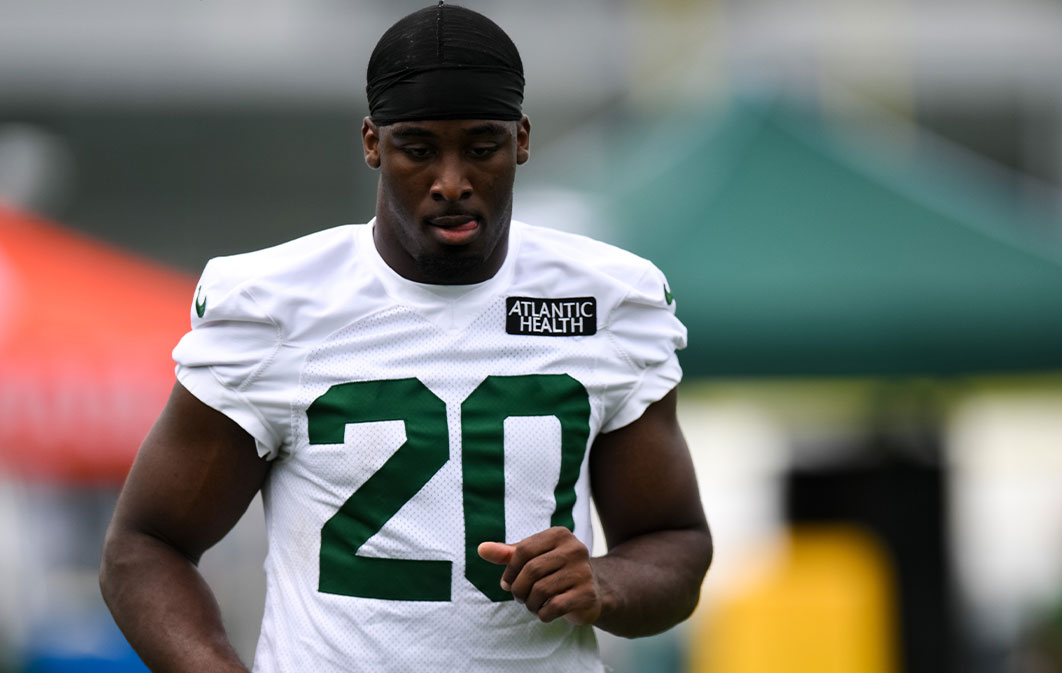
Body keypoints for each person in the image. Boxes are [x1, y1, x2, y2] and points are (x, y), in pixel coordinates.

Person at [99, 3, 712, 672]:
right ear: (371, 143)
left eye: (482, 148)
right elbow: (144, 548)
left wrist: (605, 582)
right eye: (418, 149)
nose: (452, 182)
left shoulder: (603, 298)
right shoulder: (280, 305)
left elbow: (673, 540)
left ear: (523, 139)